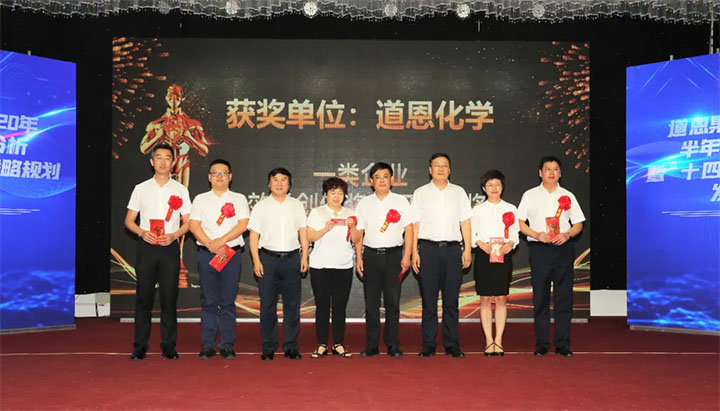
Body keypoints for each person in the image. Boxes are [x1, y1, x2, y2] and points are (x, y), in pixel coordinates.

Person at [124, 142, 191, 360]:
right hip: (147, 247)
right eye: (159, 158)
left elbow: (188, 223)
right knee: (144, 298)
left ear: (173, 163)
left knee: (169, 299)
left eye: (167, 158)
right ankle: (139, 346)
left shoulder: (180, 190)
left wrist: (174, 235)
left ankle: (169, 346)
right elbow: (129, 221)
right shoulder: (141, 188)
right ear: (152, 162)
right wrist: (142, 232)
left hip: (169, 247)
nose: (163, 162)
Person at [517, 156, 585, 357]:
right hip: (539, 249)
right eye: (548, 169)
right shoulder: (530, 195)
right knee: (541, 296)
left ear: (560, 173)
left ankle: (562, 342)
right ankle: (542, 342)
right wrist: (536, 234)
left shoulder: (568, 196)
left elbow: (578, 223)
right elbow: (519, 222)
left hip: (563, 249)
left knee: (564, 296)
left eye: (555, 169)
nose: (552, 173)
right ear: (540, 173)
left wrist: (567, 234)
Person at [411, 153, 472, 358]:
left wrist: (467, 249)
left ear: (450, 170)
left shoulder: (459, 192)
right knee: (429, 300)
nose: (441, 169)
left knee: (451, 300)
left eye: (445, 165)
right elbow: (415, 224)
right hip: (428, 249)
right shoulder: (420, 193)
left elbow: (465, 222)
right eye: (437, 166)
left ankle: (451, 343)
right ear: (430, 170)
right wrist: (414, 252)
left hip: (453, 250)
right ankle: (428, 343)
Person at [189, 159, 249, 360]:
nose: (219, 176)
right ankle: (207, 345)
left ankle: (226, 345)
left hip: (231, 254)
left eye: (224, 172)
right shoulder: (200, 199)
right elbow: (194, 225)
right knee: (208, 300)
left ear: (230, 176)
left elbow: (243, 225)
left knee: (227, 301)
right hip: (207, 253)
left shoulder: (239, 198)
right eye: (215, 173)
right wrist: (210, 244)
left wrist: (220, 242)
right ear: (209, 177)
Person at [353, 162, 413, 358]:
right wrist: (359, 257)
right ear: (371, 181)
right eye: (377, 177)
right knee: (371, 303)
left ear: (391, 180)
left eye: (385, 176)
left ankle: (392, 344)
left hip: (394, 256)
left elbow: (409, 230)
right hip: (370, 256)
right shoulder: (364, 203)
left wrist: (407, 256)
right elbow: (359, 232)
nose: (381, 180)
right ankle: (371, 345)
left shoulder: (401, 202)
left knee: (392, 303)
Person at [248, 168, 309, 360]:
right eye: (275, 180)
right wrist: (256, 260)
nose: (279, 183)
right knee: (267, 305)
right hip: (268, 259)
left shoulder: (297, 205)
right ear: (269, 184)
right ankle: (268, 345)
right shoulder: (261, 206)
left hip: (292, 259)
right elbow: (254, 236)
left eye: (284, 180)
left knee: (292, 304)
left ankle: (291, 345)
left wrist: (305, 256)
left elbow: (303, 233)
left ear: (289, 184)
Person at [306, 177, 358, 359]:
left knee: (339, 307)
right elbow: (309, 237)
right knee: (322, 306)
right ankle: (321, 344)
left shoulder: (350, 213)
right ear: (325, 194)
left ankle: (338, 344)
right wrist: (325, 229)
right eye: (333, 192)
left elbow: (357, 239)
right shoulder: (317, 213)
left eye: (340, 193)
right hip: (320, 265)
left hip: (343, 265)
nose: (337, 196)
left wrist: (354, 227)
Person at [470, 170, 519, 357]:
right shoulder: (478, 210)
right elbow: (471, 234)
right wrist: (480, 243)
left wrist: (510, 244)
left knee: (501, 299)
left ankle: (498, 340)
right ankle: (488, 340)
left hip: (503, 256)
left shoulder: (511, 208)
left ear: (502, 187)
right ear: (484, 188)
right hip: (484, 256)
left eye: (497, 185)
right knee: (484, 299)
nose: (494, 188)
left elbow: (515, 234)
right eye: (490, 185)